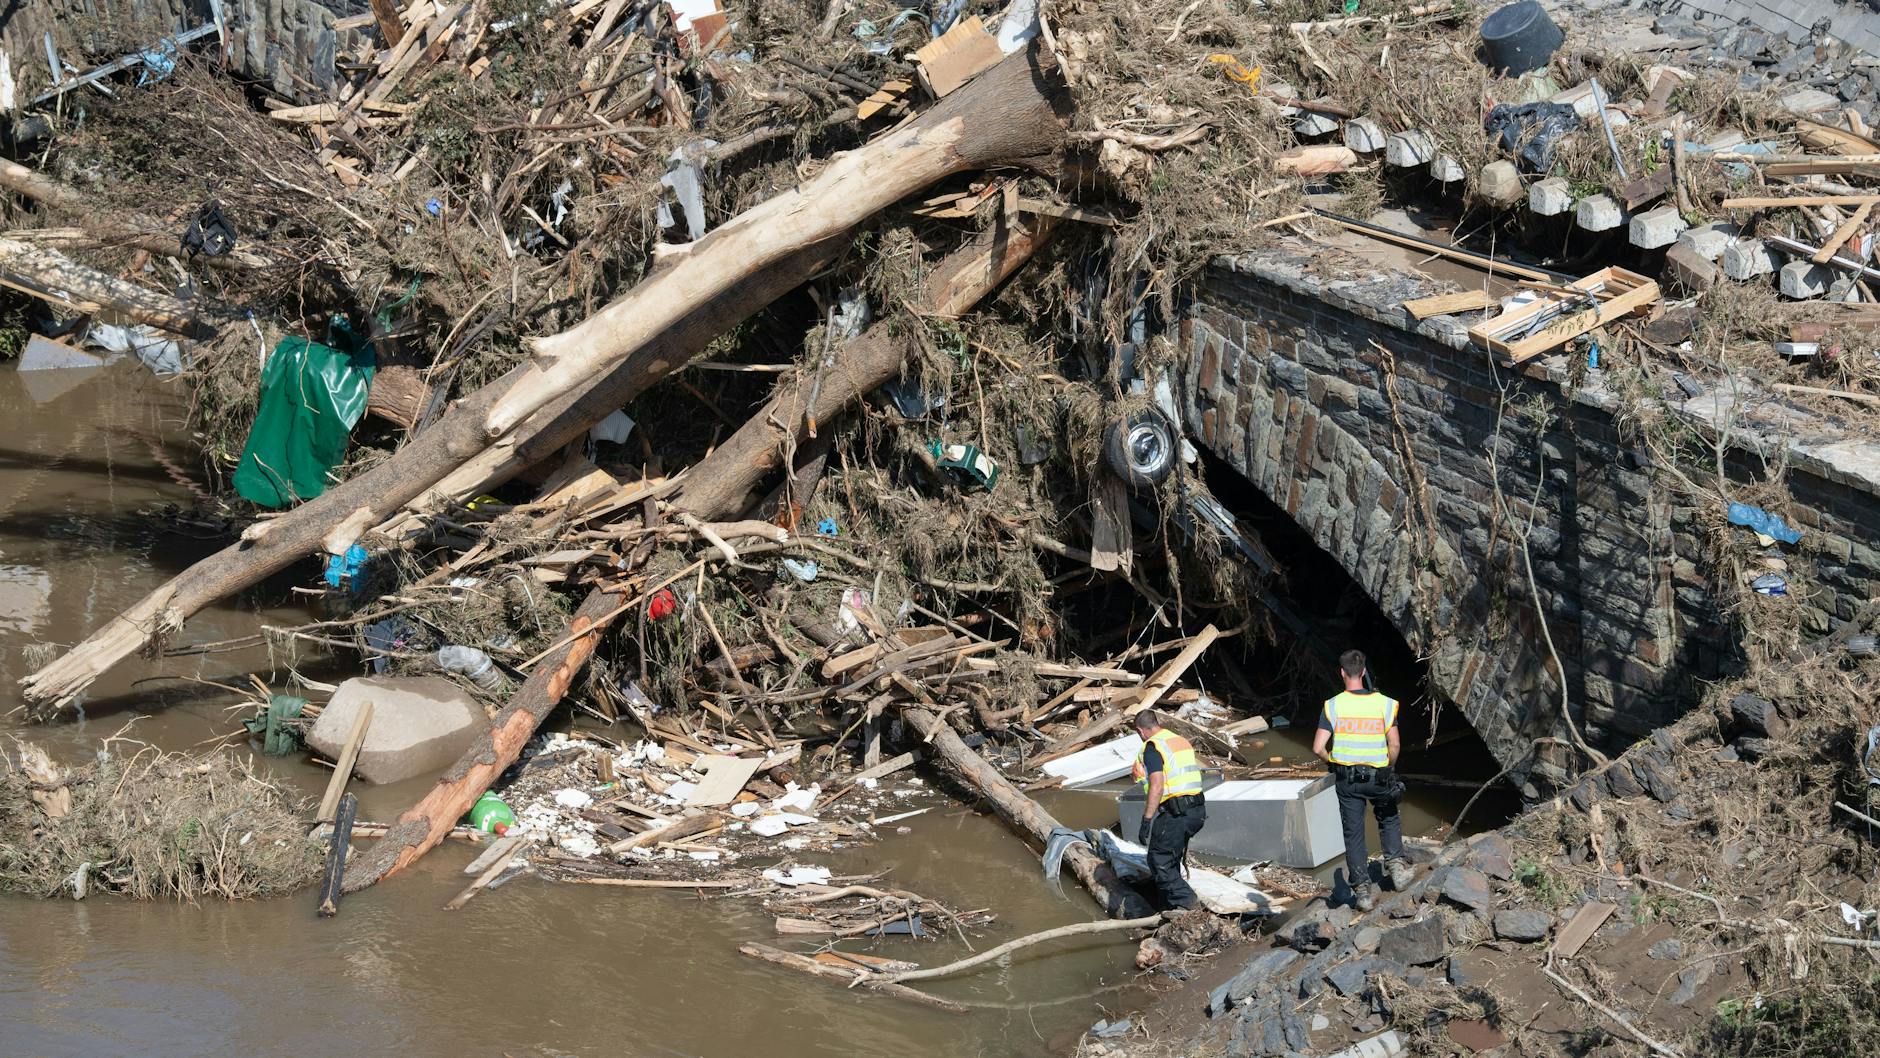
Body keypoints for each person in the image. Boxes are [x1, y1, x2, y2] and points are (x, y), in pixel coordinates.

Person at [1311, 649, 1412, 912]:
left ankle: (1363, 893)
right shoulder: (1385, 703)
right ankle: (1398, 872)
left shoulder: (1332, 705)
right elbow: (1395, 744)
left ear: (1342, 673)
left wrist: (1332, 761)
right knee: (1388, 816)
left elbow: (1318, 747)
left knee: (1353, 832)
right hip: (1378, 775)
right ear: (1364, 672)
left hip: (1347, 780)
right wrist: (1389, 768)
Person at [1131, 709, 1207, 910]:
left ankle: (1187, 904)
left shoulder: (1152, 746)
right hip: (1197, 810)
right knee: (1169, 857)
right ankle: (1168, 907)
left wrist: (1146, 820)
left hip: (1177, 812)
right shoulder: (1178, 740)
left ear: (1140, 731)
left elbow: (1157, 784)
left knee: (1158, 860)